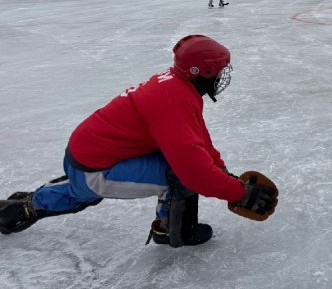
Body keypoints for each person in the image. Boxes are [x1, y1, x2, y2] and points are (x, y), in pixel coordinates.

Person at [0, 35, 276, 246]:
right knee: (177, 175)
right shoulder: (175, 100)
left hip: (90, 155)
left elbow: (197, 141)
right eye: (219, 70)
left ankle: (37, 198)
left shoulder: (175, 86)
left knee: (181, 165)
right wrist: (239, 193)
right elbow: (194, 172)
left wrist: (224, 173)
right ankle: (173, 232)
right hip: (93, 170)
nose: (222, 76)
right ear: (200, 73)